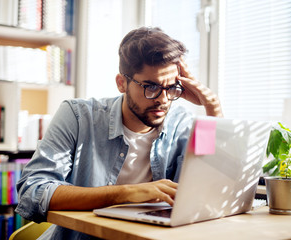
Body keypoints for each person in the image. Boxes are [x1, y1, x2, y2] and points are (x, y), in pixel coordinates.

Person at [16, 26, 223, 239]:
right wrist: (127, 193)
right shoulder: (77, 116)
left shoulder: (181, 124)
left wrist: (212, 107)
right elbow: (34, 191)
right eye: (150, 87)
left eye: (171, 88)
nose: (163, 99)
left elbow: (208, 187)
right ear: (121, 83)